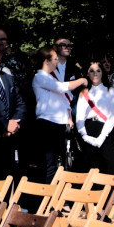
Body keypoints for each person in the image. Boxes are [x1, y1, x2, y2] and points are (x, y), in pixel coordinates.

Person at [31, 46, 87, 182]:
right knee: (50, 163)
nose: (57, 62)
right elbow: (62, 88)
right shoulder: (40, 77)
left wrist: (68, 118)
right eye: (55, 59)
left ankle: (60, 197)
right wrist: (82, 80)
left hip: (59, 124)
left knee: (61, 163)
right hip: (47, 123)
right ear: (47, 61)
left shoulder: (51, 78)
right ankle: (49, 198)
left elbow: (64, 100)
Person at [0, 35, 25, 180]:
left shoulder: (8, 78)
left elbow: (20, 104)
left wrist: (15, 122)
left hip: (9, 142)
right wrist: (4, 125)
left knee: (8, 183)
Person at [74, 62, 114, 175]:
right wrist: (84, 135)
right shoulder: (83, 92)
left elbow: (112, 116)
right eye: (92, 71)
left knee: (110, 164)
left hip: (105, 130)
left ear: (103, 73)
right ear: (87, 74)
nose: (95, 74)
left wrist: (102, 137)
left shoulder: (111, 91)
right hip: (88, 129)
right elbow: (79, 116)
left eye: (98, 71)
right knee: (91, 166)